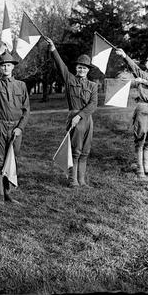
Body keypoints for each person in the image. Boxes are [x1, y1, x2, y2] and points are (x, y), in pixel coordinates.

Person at [46, 38, 98, 188]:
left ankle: (82, 180)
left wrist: (80, 116)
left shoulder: (92, 86)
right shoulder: (69, 80)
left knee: (85, 150)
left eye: (85, 68)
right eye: (79, 67)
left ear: (88, 70)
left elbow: (93, 104)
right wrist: (53, 49)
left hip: (87, 119)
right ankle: (72, 180)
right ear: (76, 68)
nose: (82, 70)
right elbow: (60, 65)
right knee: (75, 150)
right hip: (74, 117)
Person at [0, 44, 30, 204]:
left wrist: (20, 128)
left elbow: (26, 110)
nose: (6, 68)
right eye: (3, 65)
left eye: (8, 65)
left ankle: (8, 193)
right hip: (0, 126)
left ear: (13, 67)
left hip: (15, 128)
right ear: (0, 68)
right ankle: (0, 195)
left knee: (12, 160)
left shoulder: (21, 86)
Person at [114, 49, 148, 178]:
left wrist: (145, 82)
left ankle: (147, 167)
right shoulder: (140, 73)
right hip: (143, 108)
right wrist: (125, 55)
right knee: (140, 138)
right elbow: (133, 66)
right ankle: (140, 169)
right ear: (146, 62)